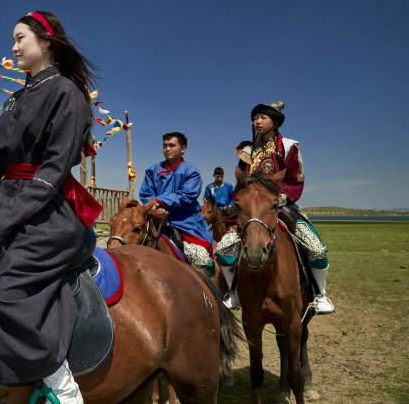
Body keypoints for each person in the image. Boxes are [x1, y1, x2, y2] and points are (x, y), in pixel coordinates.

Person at [0, 11, 101, 404]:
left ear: (46, 43)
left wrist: (5, 219)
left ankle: (61, 385)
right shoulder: (18, 97)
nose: (12, 48)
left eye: (20, 39)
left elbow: (53, 171)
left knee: (7, 289)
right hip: (7, 203)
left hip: (50, 213)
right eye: (12, 41)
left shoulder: (67, 93)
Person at [216, 101, 334, 314]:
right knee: (224, 248)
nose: (257, 122)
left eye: (262, 118)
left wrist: (276, 200)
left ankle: (320, 294)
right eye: (255, 118)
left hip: (280, 205)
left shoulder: (288, 147)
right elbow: (241, 184)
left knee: (316, 249)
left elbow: (295, 180)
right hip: (250, 210)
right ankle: (234, 293)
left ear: (275, 122)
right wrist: (236, 218)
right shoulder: (247, 151)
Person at [139, 132, 215, 276]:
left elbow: (186, 195)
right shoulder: (152, 171)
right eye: (165, 146)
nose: (167, 149)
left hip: (185, 220)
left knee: (201, 258)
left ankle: (208, 290)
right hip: (154, 216)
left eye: (172, 145)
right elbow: (145, 194)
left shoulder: (191, 172)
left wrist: (159, 202)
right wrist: (156, 209)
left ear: (183, 148)